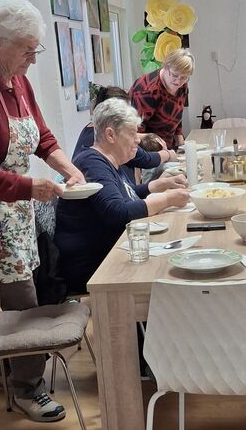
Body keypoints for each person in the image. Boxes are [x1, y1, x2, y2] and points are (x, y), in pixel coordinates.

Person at [0, 0, 86, 422]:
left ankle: (0, 371)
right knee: (23, 296)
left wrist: (69, 168)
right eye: (27, 50)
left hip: (17, 206)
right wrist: (28, 186)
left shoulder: (19, 82)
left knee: (31, 282)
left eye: (36, 50)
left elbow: (43, 139)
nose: (33, 59)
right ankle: (28, 388)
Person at [55, 98, 190, 295]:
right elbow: (117, 212)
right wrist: (167, 199)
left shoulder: (108, 160)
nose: (138, 140)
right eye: (132, 133)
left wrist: (158, 185)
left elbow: (126, 194)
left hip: (110, 255)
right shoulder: (92, 163)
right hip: (96, 270)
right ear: (111, 134)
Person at [72, 84, 177, 180]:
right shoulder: (99, 156)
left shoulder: (93, 129)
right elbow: (145, 159)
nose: (136, 140)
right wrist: (168, 154)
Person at [129, 48, 194, 149]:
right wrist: (161, 152)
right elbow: (133, 134)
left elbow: (176, 117)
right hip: (146, 149)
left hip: (168, 146)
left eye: (184, 77)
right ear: (165, 67)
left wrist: (182, 147)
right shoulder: (148, 91)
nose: (178, 81)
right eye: (174, 75)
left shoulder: (181, 85)